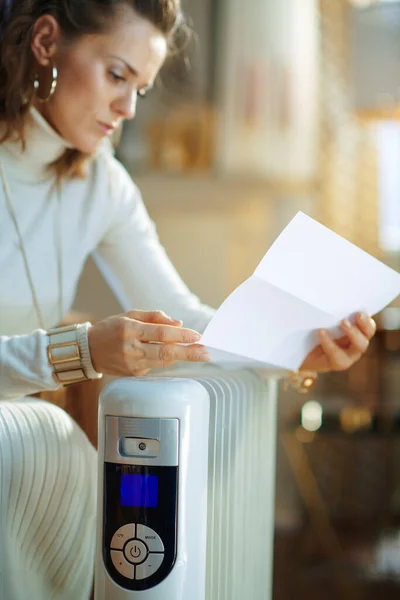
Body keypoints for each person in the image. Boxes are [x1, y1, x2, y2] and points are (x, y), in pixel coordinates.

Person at [0, 0, 376, 598]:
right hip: (26, 432)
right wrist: (84, 350)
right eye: (117, 75)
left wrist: (298, 349)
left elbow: (183, 317)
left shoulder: (102, 185)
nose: (127, 108)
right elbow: (82, 352)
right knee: (46, 437)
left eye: (140, 89)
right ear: (46, 41)